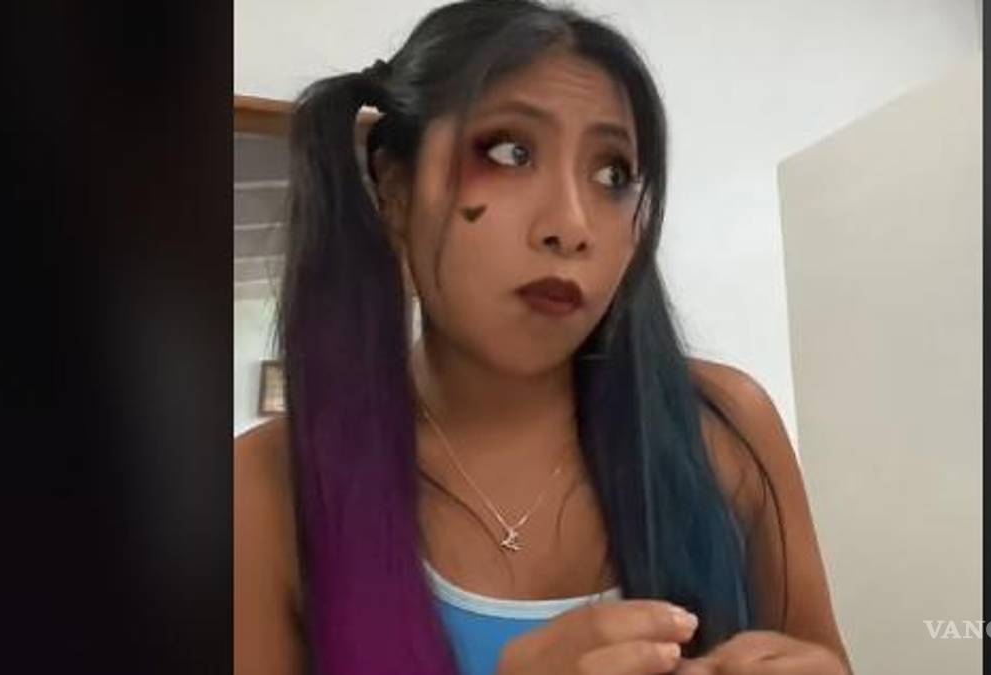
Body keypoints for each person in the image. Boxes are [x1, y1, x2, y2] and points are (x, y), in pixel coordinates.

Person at [235, 1, 850, 673]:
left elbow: (825, 658)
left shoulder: (725, 426)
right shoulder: (266, 487)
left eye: (613, 174)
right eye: (510, 153)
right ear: (395, 188)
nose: (572, 225)